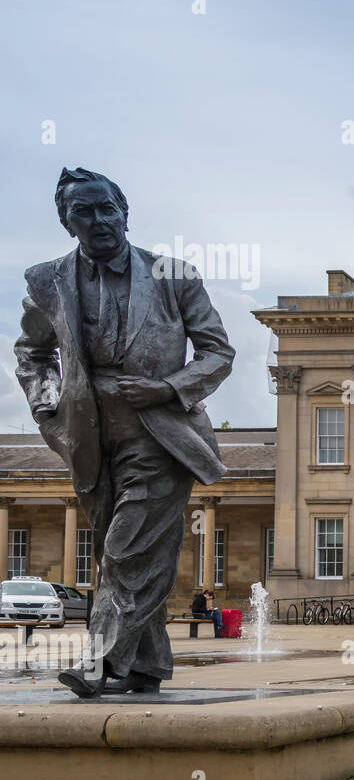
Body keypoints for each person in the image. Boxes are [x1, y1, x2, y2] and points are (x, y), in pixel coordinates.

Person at [17, 168, 235, 697]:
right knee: (141, 554)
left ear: (124, 212)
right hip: (87, 437)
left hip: (160, 434)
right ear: (67, 222)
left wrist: (165, 389)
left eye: (105, 209)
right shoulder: (47, 281)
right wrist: (48, 414)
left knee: (123, 548)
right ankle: (147, 667)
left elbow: (217, 353)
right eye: (83, 212)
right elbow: (33, 353)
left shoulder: (173, 274)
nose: (97, 221)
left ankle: (98, 661)